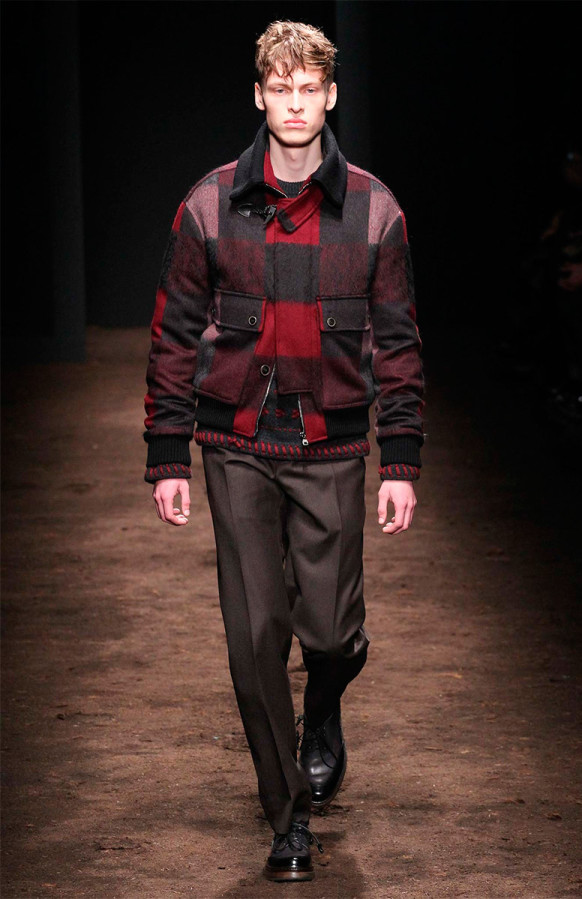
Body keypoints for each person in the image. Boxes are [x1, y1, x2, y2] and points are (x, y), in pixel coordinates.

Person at [143, 20, 425, 883]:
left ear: (329, 96)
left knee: (331, 633)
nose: (295, 104)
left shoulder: (375, 209)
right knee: (254, 634)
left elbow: (398, 341)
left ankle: (326, 699)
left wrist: (401, 460)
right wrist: (167, 453)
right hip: (235, 441)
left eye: (310, 90)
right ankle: (288, 816)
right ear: (260, 96)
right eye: (281, 89)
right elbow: (174, 332)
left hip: (332, 443)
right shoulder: (209, 204)